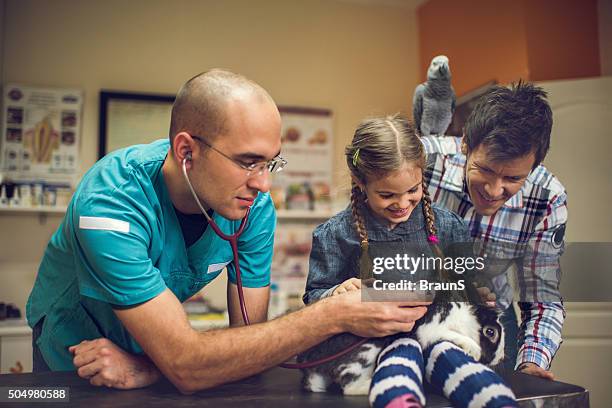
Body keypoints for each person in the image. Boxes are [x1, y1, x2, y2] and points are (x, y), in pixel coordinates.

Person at [26, 69, 429, 393]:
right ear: (187, 151)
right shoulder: (109, 206)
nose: (264, 184)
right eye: (249, 161)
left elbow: (251, 344)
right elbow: (188, 366)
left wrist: (154, 367)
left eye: (271, 163)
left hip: (151, 359)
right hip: (77, 355)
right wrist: (333, 314)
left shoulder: (253, 207)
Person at [303, 115, 517, 408]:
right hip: (371, 352)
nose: (402, 204)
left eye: (413, 191)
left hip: (436, 342)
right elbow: (313, 298)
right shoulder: (335, 235)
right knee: (397, 362)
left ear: (422, 177)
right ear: (359, 181)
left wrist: (476, 294)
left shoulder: (448, 226)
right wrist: (334, 294)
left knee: (462, 370)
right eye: (387, 195)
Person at [421, 81, 567, 379]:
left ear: (535, 166)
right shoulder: (423, 161)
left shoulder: (547, 199)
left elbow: (542, 296)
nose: (493, 190)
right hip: (416, 305)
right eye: (485, 169)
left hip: (493, 316)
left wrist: (531, 363)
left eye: (513, 178)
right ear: (465, 144)